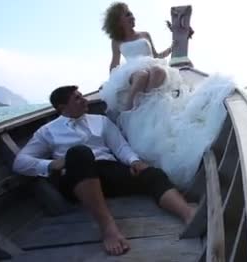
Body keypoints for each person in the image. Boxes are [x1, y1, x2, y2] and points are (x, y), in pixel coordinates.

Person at [12, 85, 195, 256]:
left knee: (152, 174)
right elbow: (20, 162)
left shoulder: (101, 121)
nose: (84, 100)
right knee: (79, 152)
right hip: (77, 181)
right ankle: (108, 228)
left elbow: (120, 147)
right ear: (62, 107)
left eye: (82, 96)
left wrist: (134, 161)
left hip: (109, 172)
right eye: (77, 99)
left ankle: (187, 214)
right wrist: (50, 165)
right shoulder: (47, 131)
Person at [98, 2, 236, 190]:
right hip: (131, 72)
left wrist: (171, 48)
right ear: (118, 20)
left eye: (131, 13)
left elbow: (155, 54)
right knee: (142, 74)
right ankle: (129, 106)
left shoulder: (145, 35)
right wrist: (111, 82)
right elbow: (114, 64)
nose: (132, 16)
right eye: (127, 14)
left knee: (156, 71)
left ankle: (146, 100)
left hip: (151, 66)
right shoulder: (117, 42)